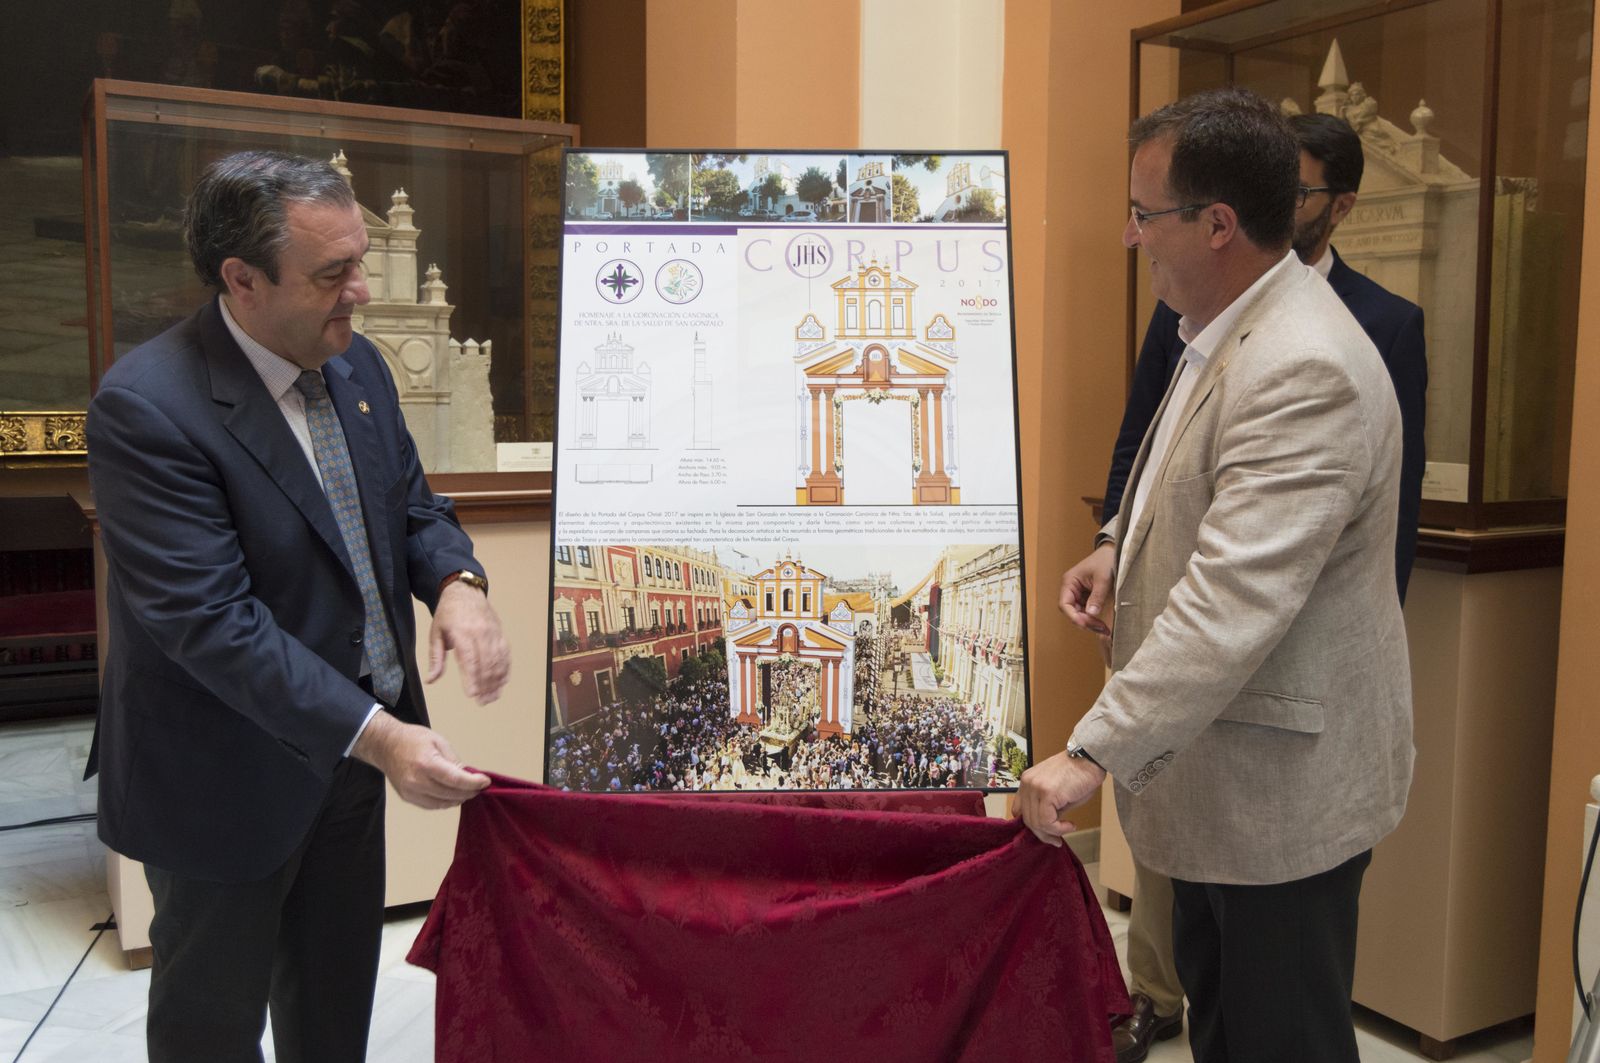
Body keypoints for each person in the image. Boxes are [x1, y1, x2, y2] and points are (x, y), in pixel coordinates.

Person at [86, 150, 511, 1063]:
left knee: (331, 1013)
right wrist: (386, 734)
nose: (360, 290)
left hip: (347, 772)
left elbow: (411, 507)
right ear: (242, 279)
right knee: (212, 1027)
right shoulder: (149, 409)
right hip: (220, 776)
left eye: (361, 260)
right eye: (332, 273)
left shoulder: (356, 372)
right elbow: (213, 624)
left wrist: (457, 586)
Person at [1019, 88, 1414, 1063]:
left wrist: (1092, 750)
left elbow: (1235, 600)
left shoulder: (1300, 364)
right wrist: (1118, 540)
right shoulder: (1223, 325)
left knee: (1280, 1039)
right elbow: (1178, 471)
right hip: (1214, 773)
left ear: (1217, 223)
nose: (1128, 236)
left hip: (1277, 791)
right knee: (1225, 1027)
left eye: (1144, 214)